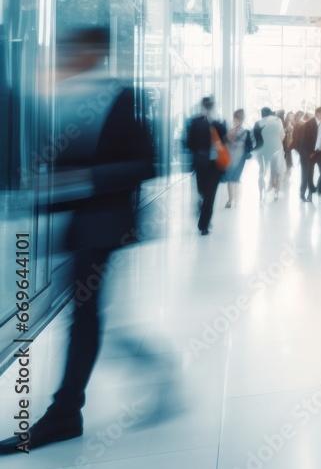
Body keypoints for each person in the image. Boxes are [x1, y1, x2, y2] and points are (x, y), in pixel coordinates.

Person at [0, 27, 157, 454]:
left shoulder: (123, 97)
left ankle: (66, 411)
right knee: (88, 312)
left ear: (94, 52)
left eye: (73, 49)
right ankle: (149, 374)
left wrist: (80, 180)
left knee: (84, 312)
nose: (65, 58)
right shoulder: (63, 97)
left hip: (105, 222)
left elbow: (146, 163)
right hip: (76, 223)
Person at [184, 96, 227, 235]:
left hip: (200, 162)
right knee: (210, 194)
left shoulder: (195, 123)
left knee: (202, 190)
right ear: (213, 107)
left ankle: (202, 211)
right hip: (215, 165)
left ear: (202, 106)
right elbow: (224, 144)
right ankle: (204, 225)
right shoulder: (219, 124)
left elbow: (188, 143)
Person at [252, 107, 285, 202]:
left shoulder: (258, 123)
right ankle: (276, 193)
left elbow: (255, 138)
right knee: (276, 172)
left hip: (262, 150)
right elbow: (282, 135)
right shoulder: (278, 121)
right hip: (276, 149)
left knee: (261, 172)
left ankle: (261, 193)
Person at [301, 107, 321, 203]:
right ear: (317, 114)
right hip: (312, 153)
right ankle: (310, 194)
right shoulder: (308, 124)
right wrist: (309, 153)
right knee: (309, 174)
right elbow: (303, 142)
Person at [223, 109, 253, 208]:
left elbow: (226, 142)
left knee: (231, 179)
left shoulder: (230, 131)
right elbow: (249, 145)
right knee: (235, 179)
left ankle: (230, 201)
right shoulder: (246, 131)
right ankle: (234, 200)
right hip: (240, 157)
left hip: (231, 157)